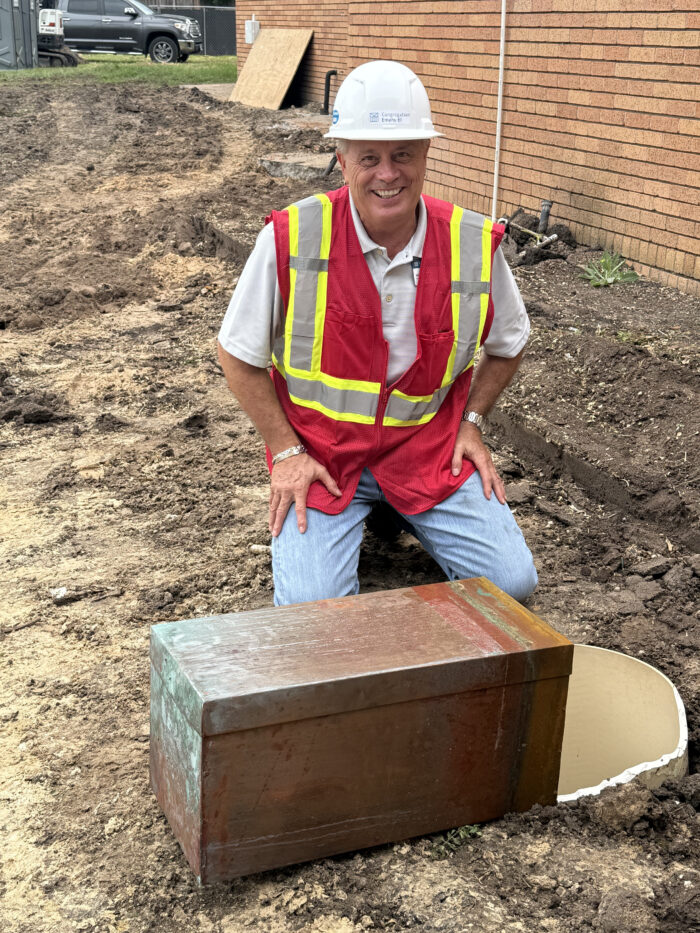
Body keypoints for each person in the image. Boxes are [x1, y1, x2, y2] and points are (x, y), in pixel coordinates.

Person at [217, 60, 537, 606]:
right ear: (341, 160)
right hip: (324, 458)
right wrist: (286, 451)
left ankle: (395, 507)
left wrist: (473, 422)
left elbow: (509, 344)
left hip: (425, 450)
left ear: (426, 155)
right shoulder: (292, 238)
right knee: (311, 614)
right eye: (368, 157)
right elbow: (238, 356)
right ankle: (375, 509)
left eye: (402, 155)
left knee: (512, 587)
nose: (387, 173)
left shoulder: (470, 242)